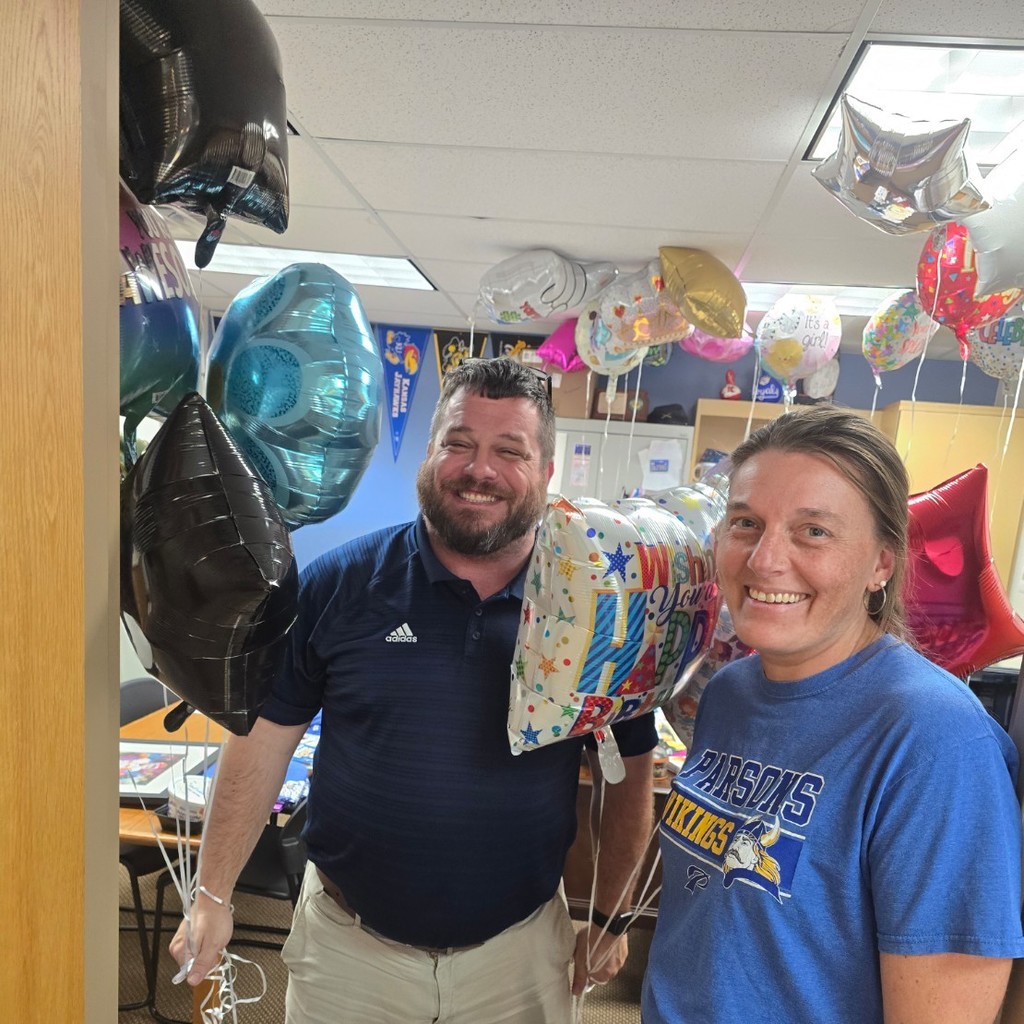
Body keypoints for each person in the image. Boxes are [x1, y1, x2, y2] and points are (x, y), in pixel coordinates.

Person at [171, 357, 657, 1023]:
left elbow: (628, 776)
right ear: (429, 455)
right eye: (458, 443)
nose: (478, 469)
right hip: (350, 951)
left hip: (517, 958)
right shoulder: (338, 583)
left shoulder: (599, 608)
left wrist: (610, 914)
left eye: (507, 451)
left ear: (546, 473)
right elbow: (261, 741)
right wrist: (214, 894)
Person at [642, 406, 1024, 1024]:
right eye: (745, 522)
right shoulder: (730, 692)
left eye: (813, 531)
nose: (764, 560)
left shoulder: (936, 741)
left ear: (882, 562)